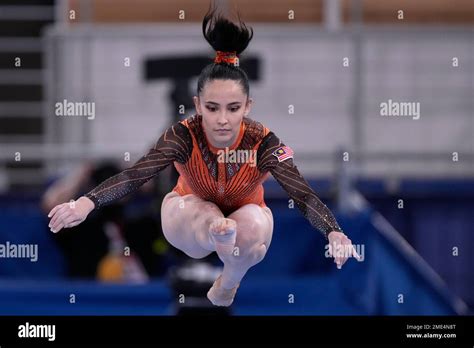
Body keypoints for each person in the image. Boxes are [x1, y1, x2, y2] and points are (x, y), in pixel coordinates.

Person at [47, 3, 360, 307]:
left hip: (245, 219)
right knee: (208, 214)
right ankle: (216, 232)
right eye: (212, 108)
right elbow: (136, 175)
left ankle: (228, 282)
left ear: (248, 107)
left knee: (251, 228)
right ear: (198, 105)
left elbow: (301, 193)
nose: (222, 119)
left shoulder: (264, 142)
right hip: (186, 215)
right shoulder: (183, 134)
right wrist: (85, 203)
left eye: (233, 108)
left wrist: (333, 230)